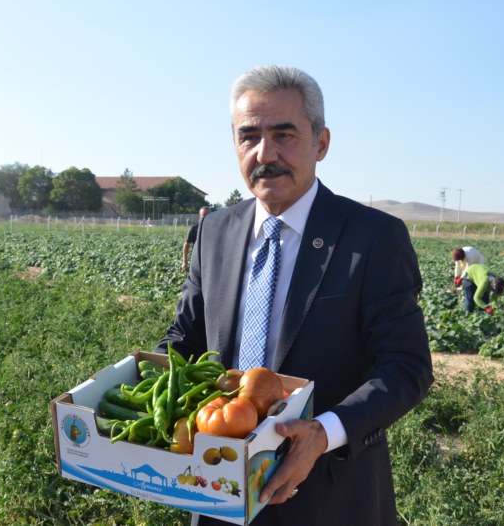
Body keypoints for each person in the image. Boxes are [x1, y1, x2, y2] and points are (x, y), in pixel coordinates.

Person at [155, 65, 433, 526]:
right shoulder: (214, 231)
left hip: (328, 496)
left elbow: (406, 368)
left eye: (284, 134)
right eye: (249, 136)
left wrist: (322, 434)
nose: (266, 153)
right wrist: (141, 390)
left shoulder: (373, 238)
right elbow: (186, 335)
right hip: (217, 484)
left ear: (320, 143)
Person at [182, 206, 211, 273]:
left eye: (209, 215)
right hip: (197, 260)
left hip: (210, 261)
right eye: (204, 215)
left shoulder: (215, 229)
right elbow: (186, 245)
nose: (207, 217)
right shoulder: (194, 229)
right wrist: (184, 262)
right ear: (199, 216)